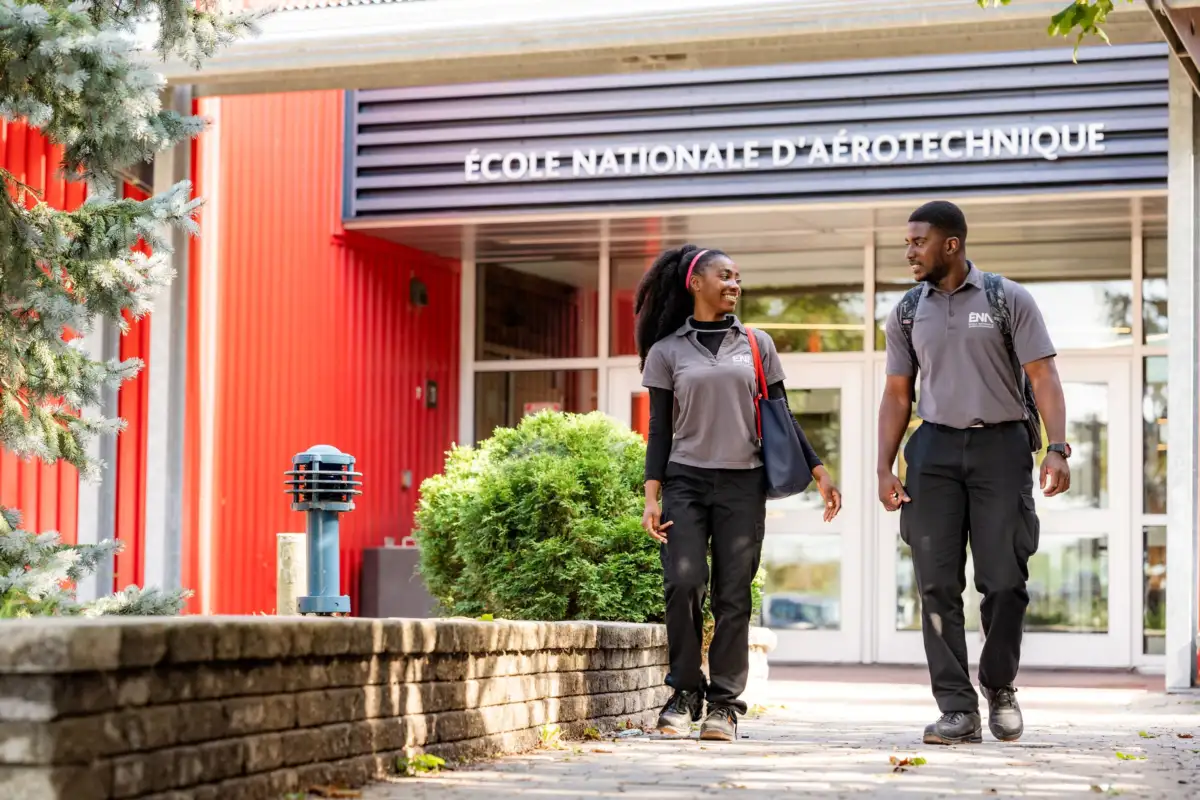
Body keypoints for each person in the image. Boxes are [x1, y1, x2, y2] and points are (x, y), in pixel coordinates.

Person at [877, 200, 1071, 746]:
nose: (909, 252)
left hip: (1001, 448)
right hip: (934, 451)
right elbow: (897, 394)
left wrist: (1057, 448)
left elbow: (1044, 376)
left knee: (1004, 581)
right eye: (907, 242)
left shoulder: (1007, 298)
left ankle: (999, 685)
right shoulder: (907, 311)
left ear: (952, 244)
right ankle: (957, 710)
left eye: (918, 242)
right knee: (936, 585)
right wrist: (883, 466)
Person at [635, 243, 842, 742]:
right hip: (685, 480)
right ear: (695, 283)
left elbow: (783, 414)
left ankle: (724, 705)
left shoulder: (756, 343)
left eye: (738, 278)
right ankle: (684, 692)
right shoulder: (667, 351)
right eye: (725, 276)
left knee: (733, 594)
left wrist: (818, 470)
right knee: (683, 583)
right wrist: (651, 497)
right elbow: (659, 429)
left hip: (743, 482)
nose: (734, 285)